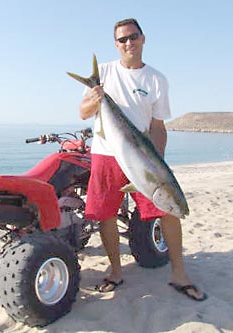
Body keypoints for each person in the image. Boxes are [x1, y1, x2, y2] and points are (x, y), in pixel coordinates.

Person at [79, 18, 207, 301]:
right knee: (106, 214)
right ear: (116, 44)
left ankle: (179, 274)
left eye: (133, 37)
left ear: (143, 39)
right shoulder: (104, 72)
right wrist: (94, 98)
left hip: (143, 158)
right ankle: (115, 271)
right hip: (106, 153)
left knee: (169, 211)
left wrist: (158, 162)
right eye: (122, 39)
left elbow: (158, 127)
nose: (128, 43)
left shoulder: (156, 79)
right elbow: (83, 112)